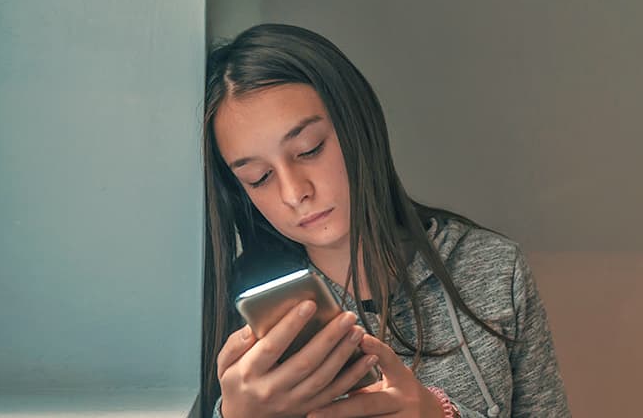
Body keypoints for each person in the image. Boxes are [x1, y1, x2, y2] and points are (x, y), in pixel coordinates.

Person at [200, 23, 570, 418]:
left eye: (309, 149)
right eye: (259, 177)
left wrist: (440, 414)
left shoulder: (493, 269)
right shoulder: (238, 307)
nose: (294, 193)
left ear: (357, 123)